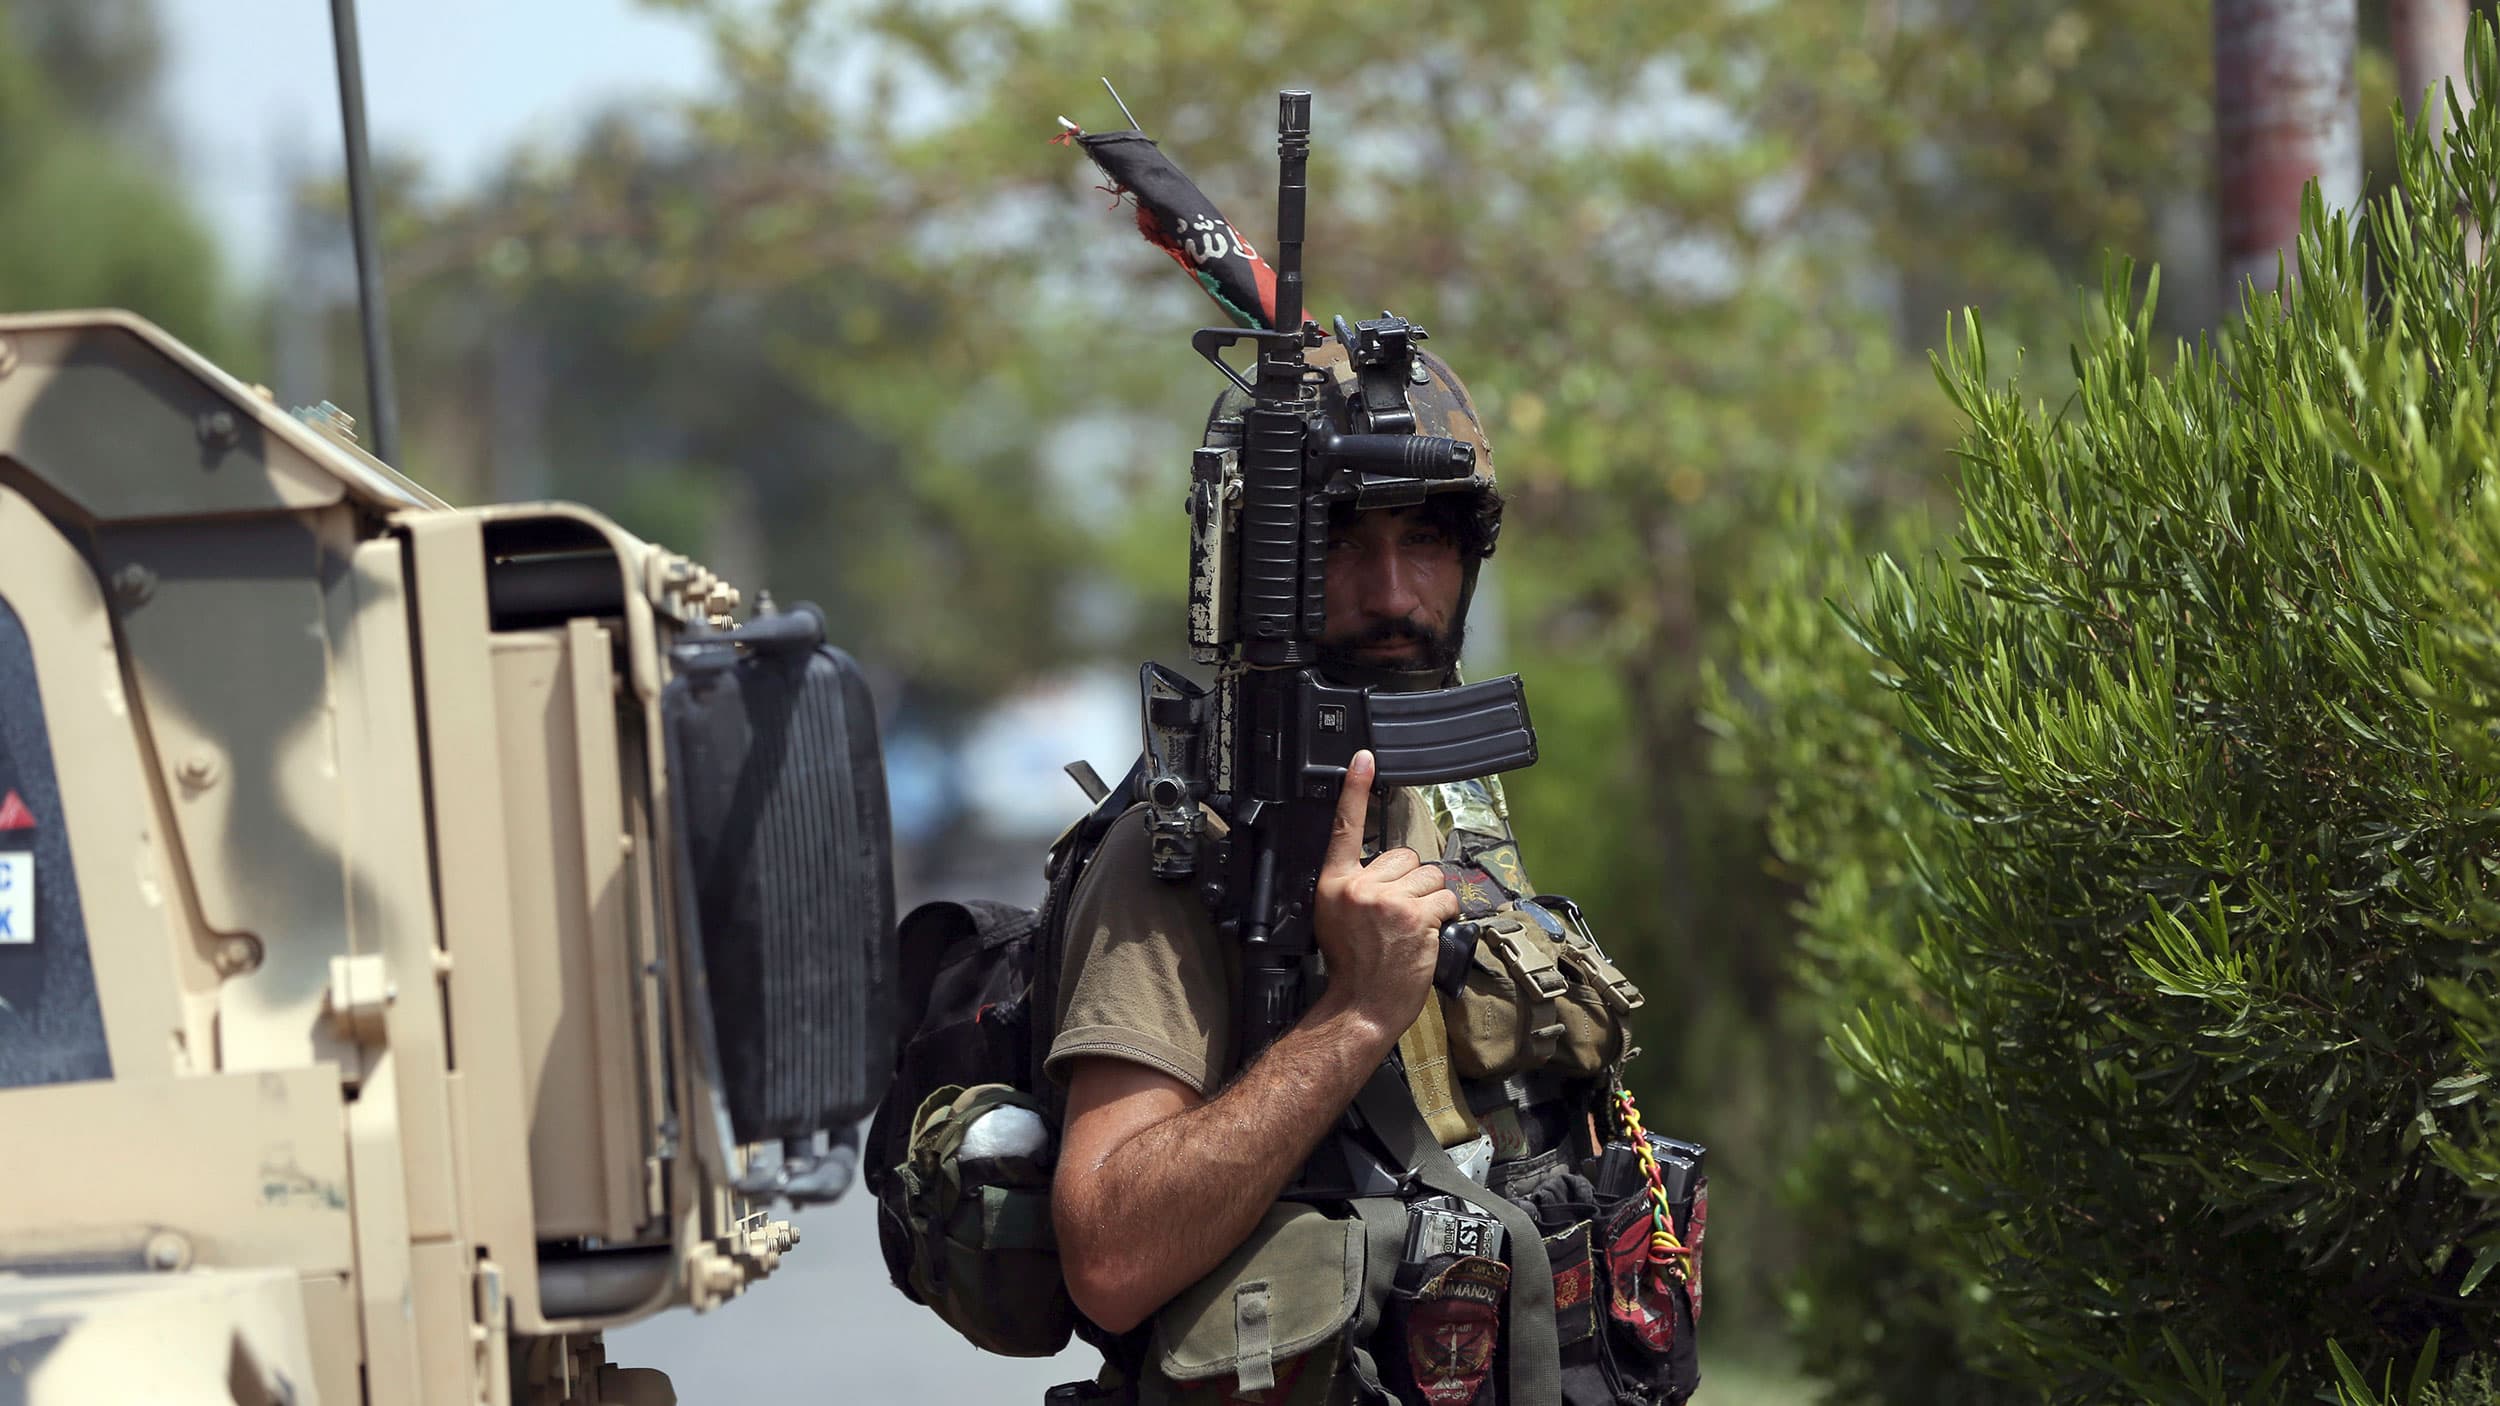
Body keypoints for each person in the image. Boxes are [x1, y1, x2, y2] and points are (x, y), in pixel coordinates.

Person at [1041, 340, 1697, 1406]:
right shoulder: (1184, 853)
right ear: (1256, 563)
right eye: (1339, 541)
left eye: (1425, 539)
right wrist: (1352, 1013)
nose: (1392, 591)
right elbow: (1110, 1258)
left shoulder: (1455, 800)